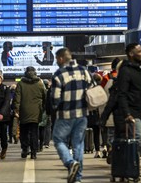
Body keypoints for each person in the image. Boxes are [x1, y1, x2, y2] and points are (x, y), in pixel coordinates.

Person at [51, 47, 92, 183]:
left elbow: (55, 98)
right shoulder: (84, 71)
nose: (56, 61)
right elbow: (92, 90)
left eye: (57, 59)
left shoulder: (59, 74)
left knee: (58, 139)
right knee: (78, 144)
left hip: (65, 114)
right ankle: (78, 178)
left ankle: (70, 162)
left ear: (62, 58)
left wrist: (55, 108)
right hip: (82, 114)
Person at [116, 43, 141, 155]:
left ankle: (131, 165)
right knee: (139, 136)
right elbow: (121, 93)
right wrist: (126, 113)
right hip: (132, 111)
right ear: (131, 54)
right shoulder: (125, 71)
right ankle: (125, 159)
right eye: (139, 51)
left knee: (139, 137)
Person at [13, 66, 46, 159]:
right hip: (36, 112)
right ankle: (34, 152)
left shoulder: (20, 84)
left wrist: (16, 110)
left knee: (24, 132)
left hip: (24, 112)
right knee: (34, 132)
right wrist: (43, 108)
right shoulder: (40, 83)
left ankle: (25, 149)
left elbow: (17, 98)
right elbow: (45, 96)